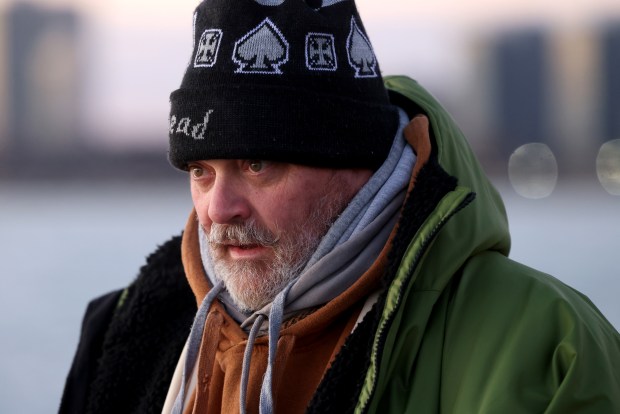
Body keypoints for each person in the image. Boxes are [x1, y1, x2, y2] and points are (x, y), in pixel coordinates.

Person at [59, 0, 620, 413]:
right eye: (201, 172)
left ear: (355, 163)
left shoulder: (546, 347)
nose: (218, 210)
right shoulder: (125, 333)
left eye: (258, 166)